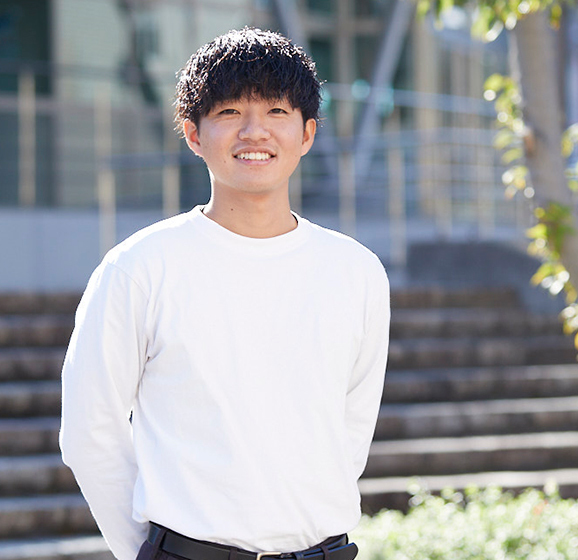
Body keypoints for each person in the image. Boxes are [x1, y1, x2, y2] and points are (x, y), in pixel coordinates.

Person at [59, 27, 390, 560]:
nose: (255, 132)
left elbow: (350, 431)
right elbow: (88, 431)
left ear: (307, 133)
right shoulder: (139, 268)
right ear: (194, 134)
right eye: (231, 112)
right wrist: (148, 552)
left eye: (277, 111)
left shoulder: (357, 271)